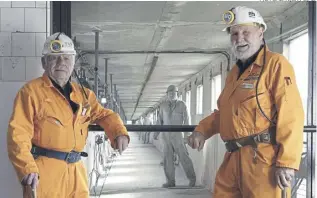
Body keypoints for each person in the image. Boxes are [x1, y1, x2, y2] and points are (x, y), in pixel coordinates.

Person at [188, 6, 304, 198]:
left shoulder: (276, 65)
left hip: (263, 162)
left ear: (260, 32)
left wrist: (287, 162)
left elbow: (291, 114)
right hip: (232, 159)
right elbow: (224, 112)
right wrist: (202, 130)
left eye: (245, 32)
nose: (239, 38)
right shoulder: (234, 73)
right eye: (234, 34)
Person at [7, 32, 130, 198]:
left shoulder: (84, 95)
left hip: (76, 171)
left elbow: (104, 115)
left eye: (67, 58)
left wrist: (119, 132)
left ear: (73, 64)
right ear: (44, 62)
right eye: (54, 58)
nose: (61, 63)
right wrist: (27, 168)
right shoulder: (31, 92)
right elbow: (18, 134)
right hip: (46, 172)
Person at [157, 85, 196, 188]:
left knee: (184, 157)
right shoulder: (163, 105)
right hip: (166, 136)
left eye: (174, 93)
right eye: (170, 93)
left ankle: (192, 179)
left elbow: (187, 120)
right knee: (167, 159)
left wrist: (187, 135)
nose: (172, 94)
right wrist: (156, 133)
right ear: (167, 94)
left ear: (177, 93)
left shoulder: (182, 105)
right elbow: (159, 120)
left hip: (178, 135)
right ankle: (170, 181)